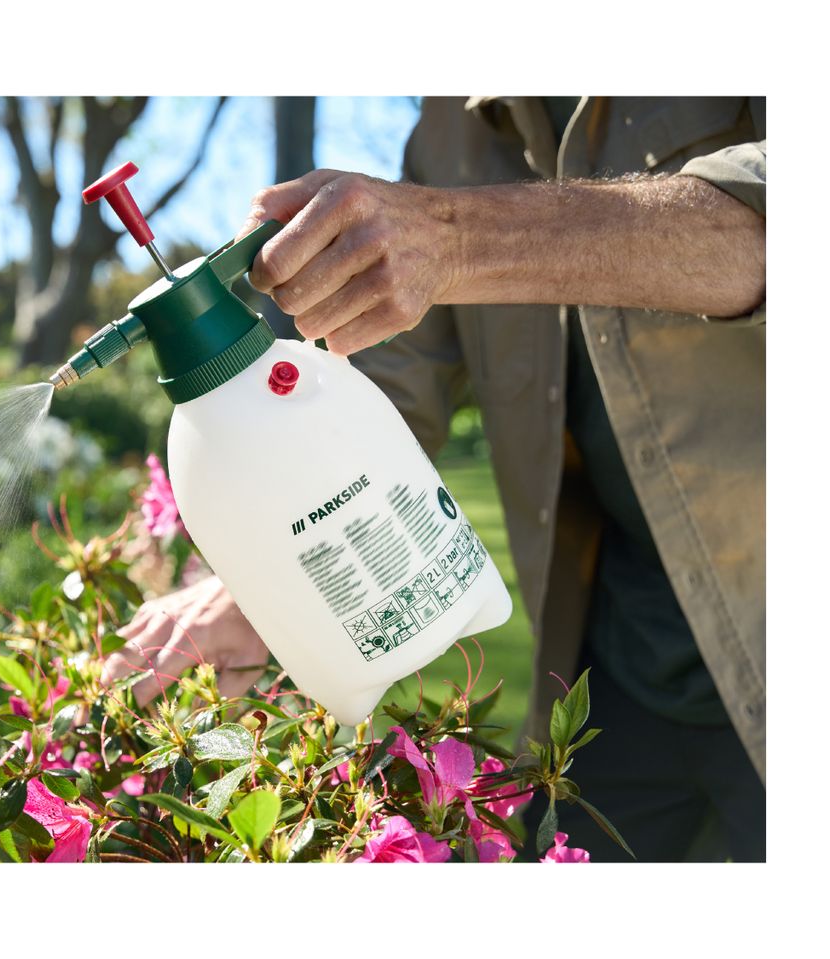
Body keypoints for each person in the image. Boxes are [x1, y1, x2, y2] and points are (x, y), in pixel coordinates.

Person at [102, 97, 766, 862]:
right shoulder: (452, 132)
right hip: (617, 670)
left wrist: (453, 237)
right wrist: (258, 586)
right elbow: (390, 390)